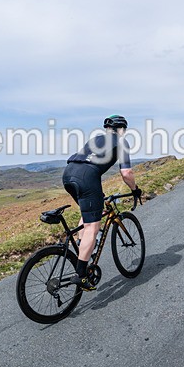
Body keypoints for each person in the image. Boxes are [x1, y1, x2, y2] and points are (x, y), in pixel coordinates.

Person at [62, 114, 141, 291]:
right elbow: (126, 173)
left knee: (88, 215)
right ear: (122, 129)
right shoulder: (121, 142)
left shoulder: (96, 139)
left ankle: (84, 251)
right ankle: (81, 275)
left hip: (68, 174)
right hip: (87, 177)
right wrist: (135, 189)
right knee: (93, 227)